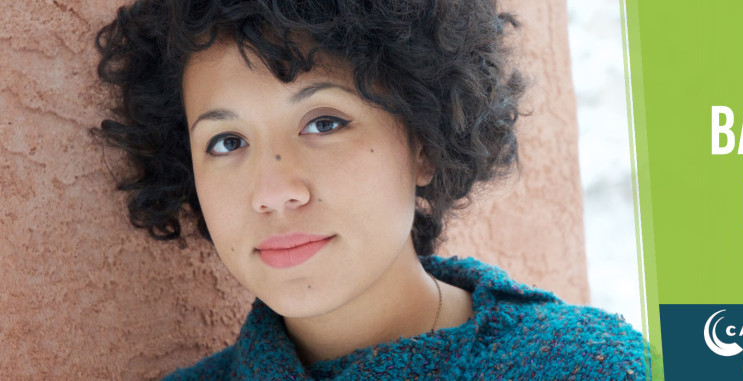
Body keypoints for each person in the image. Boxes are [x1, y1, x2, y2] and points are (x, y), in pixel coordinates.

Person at [93, 0, 647, 379]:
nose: (273, 190)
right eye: (226, 141)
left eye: (324, 123)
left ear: (424, 144)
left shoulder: (583, 366)